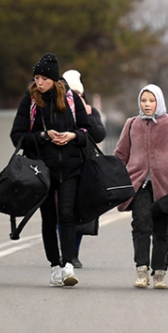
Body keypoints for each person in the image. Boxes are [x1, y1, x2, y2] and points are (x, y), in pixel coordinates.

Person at [9, 53, 92, 287]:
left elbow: (88, 130)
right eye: (36, 78)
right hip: (41, 169)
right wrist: (44, 136)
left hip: (71, 166)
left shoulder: (72, 99)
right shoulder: (30, 100)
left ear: (54, 80)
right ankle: (55, 265)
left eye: (44, 78)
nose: (39, 83)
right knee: (49, 218)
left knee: (67, 215)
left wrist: (72, 135)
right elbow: (17, 136)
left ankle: (68, 266)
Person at [114, 84, 168, 290]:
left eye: (151, 100)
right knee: (140, 225)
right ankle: (141, 270)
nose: (147, 104)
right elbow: (120, 155)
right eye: (143, 100)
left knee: (162, 230)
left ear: (159, 101)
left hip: (166, 186)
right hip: (139, 185)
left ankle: (159, 273)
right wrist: (116, 177)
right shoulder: (131, 124)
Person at [61, 70, 106, 269]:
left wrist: (88, 116)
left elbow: (99, 135)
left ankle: (74, 252)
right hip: (63, 166)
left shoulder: (90, 112)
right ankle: (65, 252)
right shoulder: (59, 109)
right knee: (64, 212)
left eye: (78, 94)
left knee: (80, 212)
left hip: (85, 166)